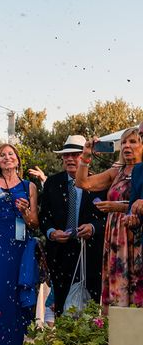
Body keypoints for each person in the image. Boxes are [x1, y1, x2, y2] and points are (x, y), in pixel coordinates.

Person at [38, 135, 107, 315]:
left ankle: (90, 342)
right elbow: (44, 216)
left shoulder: (99, 183)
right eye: (66, 155)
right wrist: (52, 232)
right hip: (60, 255)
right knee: (61, 307)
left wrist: (93, 228)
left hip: (91, 255)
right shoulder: (52, 183)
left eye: (75, 154)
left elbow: (108, 218)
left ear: (85, 157)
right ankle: (64, 342)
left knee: (90, 307)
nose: (70, 158)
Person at [75, 128, 143, 308]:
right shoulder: (117, 170)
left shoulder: (141, 171)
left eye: (133, 141)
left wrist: (119, 207)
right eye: (124, 142)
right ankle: (117, 333)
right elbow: (82, 183)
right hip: (115, 236)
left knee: (137, 284)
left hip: (136, 233)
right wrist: (86, 156)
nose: (127, 146)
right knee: (117, 288)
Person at [0, 144, 38, 345]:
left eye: (10, 154)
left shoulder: (28, 186)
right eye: (2, 155)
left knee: (15, 302)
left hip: (19, 249)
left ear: (17, 160)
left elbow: (33, 223)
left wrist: (24, 211)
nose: (7, 158)